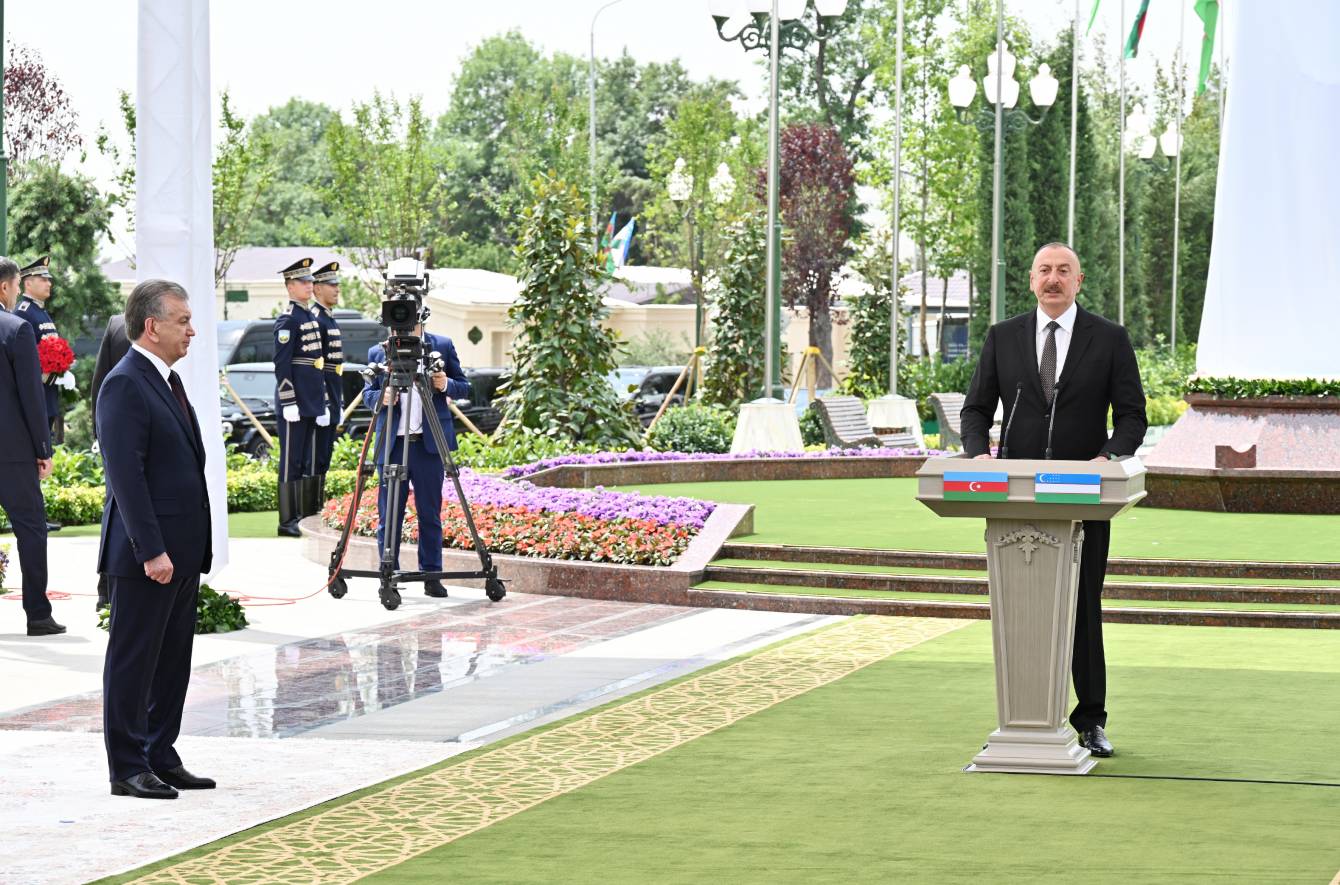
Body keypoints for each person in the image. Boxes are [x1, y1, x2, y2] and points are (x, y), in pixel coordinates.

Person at [960, 242, 1147, 758]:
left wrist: (1109, 458)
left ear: (1079, 281)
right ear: (1030, 279)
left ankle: (1090, 720)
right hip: (1016, 500)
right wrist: (978, 455)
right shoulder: (1003, 338)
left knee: (1083, 608)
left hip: (1085, 498)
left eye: (1064, 271)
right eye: (1044, 270)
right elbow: (976, 409)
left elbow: (1133, 415)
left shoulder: (1108, 339)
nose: (1053, 279)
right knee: (1021, 609)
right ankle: (1022, 717)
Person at [96, 279, 214, 800]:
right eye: (183, 320)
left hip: (181, 552)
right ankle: (127, 766)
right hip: (149, 555)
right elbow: (127, 477)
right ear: (151, 325)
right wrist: (153, 551)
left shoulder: (166, 380)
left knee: (171, 662)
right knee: (134, 660)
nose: (191, 330)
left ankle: (160, 754)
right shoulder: (125, 383)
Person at [362, 324, 470, 598]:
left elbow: (465, 387)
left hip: (428, 446)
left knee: (430, 515)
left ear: (421, 316)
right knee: (389, 516)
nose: (403, 326)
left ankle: (432, 575)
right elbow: (367, 394)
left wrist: (445, 384)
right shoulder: (379, 351)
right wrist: (381, 397)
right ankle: (389, 574)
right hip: (393, 446)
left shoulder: (441, 345)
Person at [0, 256, 63, 636]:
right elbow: (31, 397)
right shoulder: (16, 329)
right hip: (12, 452)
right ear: (6, 287)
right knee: (30, 529)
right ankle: (37, 614)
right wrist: (45, 448)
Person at [273, 257, 329, 537]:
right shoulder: (288, 319)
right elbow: (283, 364)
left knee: (305, 459)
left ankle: (302, 515)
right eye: (304, 282)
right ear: (290, 286)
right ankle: (286, 521)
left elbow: (316, 364)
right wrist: (288, 401)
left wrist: (321, 402)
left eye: (310, 281)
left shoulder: (308, 316)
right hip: (294, 402)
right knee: (291, 461)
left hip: (309, 401)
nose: (310, 285)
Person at [90, 314, 133, 612]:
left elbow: (98, 382)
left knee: (115, 507)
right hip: (129, 434)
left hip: (117, 433)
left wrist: (100, 432)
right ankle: (107, 586)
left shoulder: (117, 323)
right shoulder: (119, 324)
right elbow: (102, 379)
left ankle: (106, 588)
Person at [309, 261, 345, 512]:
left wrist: (338, 401)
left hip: (331, 398)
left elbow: (335, 368)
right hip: (320, 401)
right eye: (331, 285)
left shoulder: (329, 319)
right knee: (315, 456)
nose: (337, 289)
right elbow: (316, 366)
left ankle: (317, 504)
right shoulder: (315, 319)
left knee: (325, 457)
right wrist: (322, 401)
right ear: (317, 289)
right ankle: (311, 507)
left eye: (337, 284)